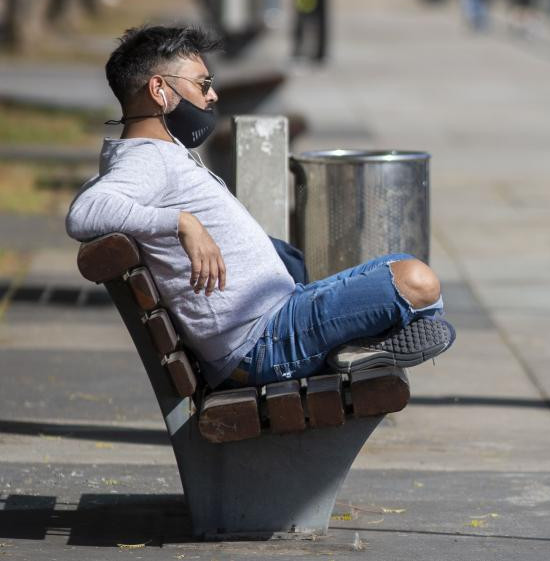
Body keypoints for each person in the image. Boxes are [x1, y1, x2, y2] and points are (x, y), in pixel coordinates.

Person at [66, 25, 455, 390]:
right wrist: (182, 222)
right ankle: (363, 345)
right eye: (203, 84)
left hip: (280, 317)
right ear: (159, 90)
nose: (212, 95)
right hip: (265, 342)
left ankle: (363, 346)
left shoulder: (154, 154)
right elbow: (84, 212)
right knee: (417, 281)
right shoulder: (147, 159)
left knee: (403, 265)